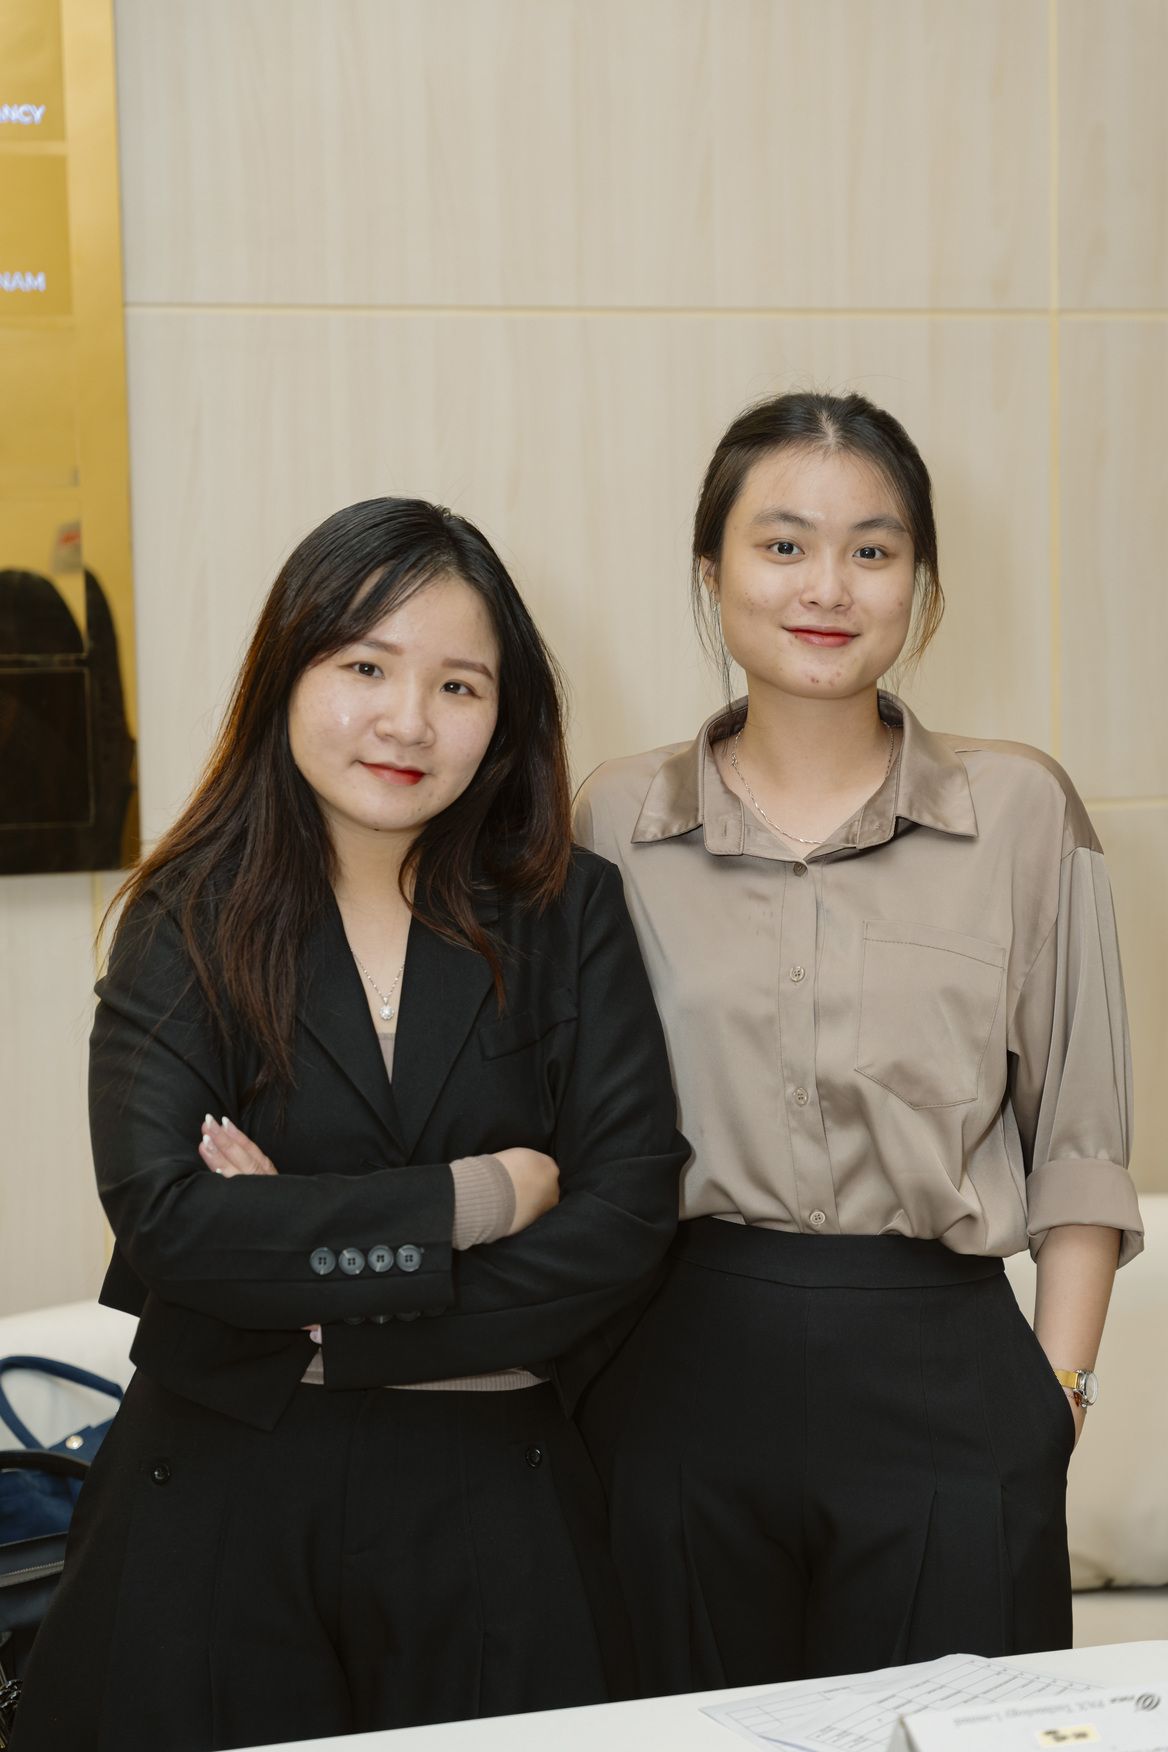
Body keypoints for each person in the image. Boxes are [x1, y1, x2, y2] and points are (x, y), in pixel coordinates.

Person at [13, 497, 687, 1751]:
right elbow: (169, 1224)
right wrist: (479, 1198)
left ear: (506, 715)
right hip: (214, 1507)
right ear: (288, 671)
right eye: (365, 667)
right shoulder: (187, 913)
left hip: (496, 1512)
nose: (407, 720)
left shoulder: (567, 912)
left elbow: (627, 1216)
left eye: (458, 685)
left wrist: (318, 1296)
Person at [574, 391, 1142, 1691]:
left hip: (947, 1377)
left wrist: (1055, 1397)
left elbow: (1080, 1143)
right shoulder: (617, 819)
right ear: (711, 570)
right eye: (783, 544)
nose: (827, 586)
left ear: (919, 585)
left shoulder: (1021, 811)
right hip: (675, 1376)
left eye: (872, 549)